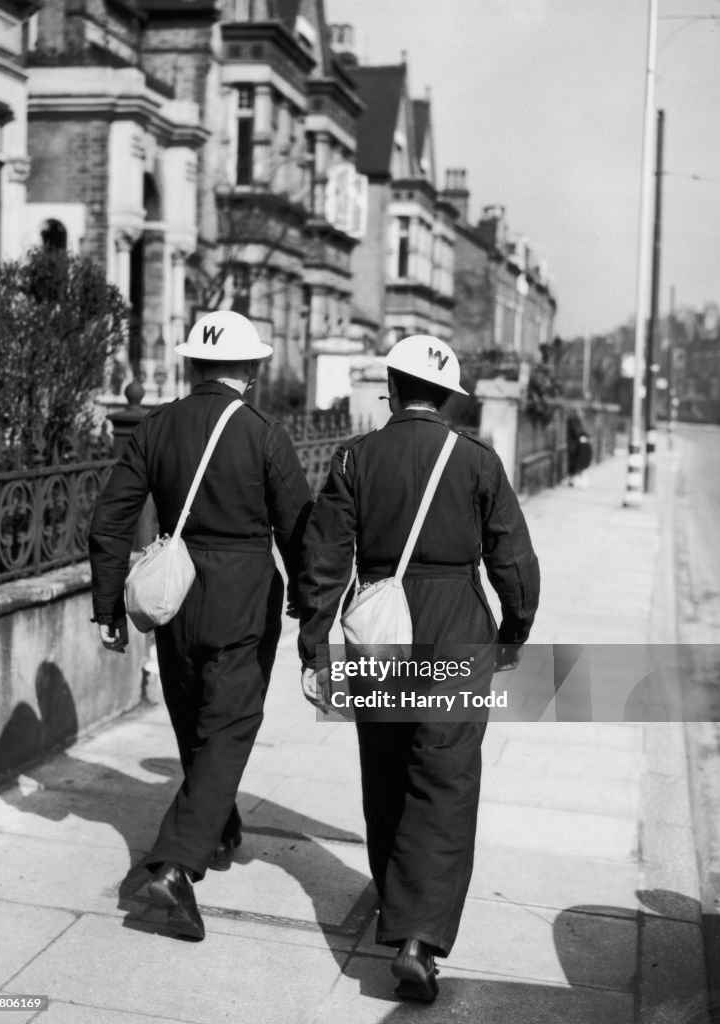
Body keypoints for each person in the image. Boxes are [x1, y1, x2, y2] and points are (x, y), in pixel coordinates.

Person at [297, 335, 540, 1002]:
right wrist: (515, 631)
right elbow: (514, 561)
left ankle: (394, 903)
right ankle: (417, 939)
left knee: (386, 770)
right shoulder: (478, 462)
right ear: (450, 397)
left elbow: (323, 558)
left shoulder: (355, 457)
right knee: (446, 781)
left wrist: (315, 644)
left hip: (380, 632)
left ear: (394, 390)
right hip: (457, 627)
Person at [89, 310, 312, 941]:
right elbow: (299, 527)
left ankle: (219, 825)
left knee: (193, 718)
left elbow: (109, 520)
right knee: (231, 725)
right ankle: (176, 865)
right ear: (251, 368)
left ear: (192, 363)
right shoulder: (264, 433)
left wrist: (109, 607)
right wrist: (307, 601)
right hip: (241, 596)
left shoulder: (156, 426)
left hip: (174, 592)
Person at [566, 408, 592, 488]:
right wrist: (584, 435)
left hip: (576, 446)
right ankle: (573, 480)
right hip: (575, 446)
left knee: (575, 463)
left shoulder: (575, 421)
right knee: (575, 463)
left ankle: (573, 480)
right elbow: (577, 432)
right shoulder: (573, 421)